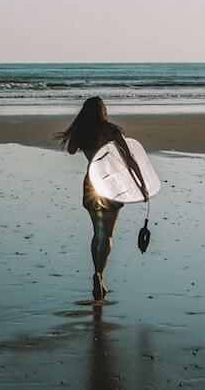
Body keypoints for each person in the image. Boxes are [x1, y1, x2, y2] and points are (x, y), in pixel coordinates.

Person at [56, 97, 148, 300]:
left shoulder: (83, 132)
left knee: (97, 233)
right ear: (103, 111)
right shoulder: (112, 130)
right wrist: (142, 184)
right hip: (111, 185)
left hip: (91, 183)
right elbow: (130, 158)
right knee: (107, 235)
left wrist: (80, 129)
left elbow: (71, 150)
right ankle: (100, 274)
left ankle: (97, 274)